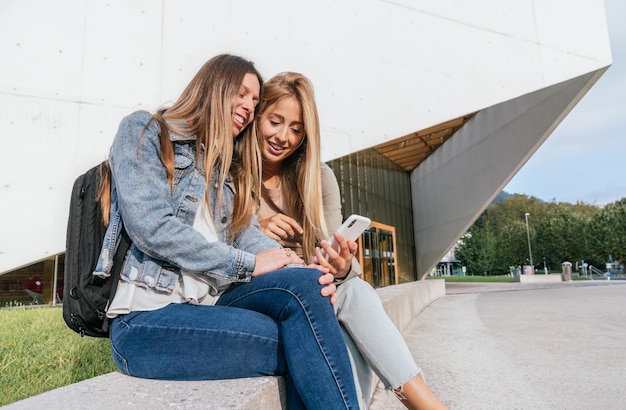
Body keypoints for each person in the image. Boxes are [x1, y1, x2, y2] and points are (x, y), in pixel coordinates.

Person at [94, 54, 360, 409]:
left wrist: (301, 268)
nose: (250, 107)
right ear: (215, 86)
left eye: (255, 100)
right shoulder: (146, 131)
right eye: (243, 94)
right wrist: (246, 266)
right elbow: (152, 227)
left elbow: (246, 233)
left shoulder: (225, 168)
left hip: (212, 304)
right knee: (304, 341)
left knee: (308, 287)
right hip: (147, 320)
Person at [256, 72, 448, 410]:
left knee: (354, 293)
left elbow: (342, 264)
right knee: (329, 303)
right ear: (258, 116)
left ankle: (425, 404)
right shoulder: (233, 177)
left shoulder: (318, 176)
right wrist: (259, 229)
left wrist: (340, 264)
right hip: (266, 290)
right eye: (275, 121)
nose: (283, 137)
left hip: (316, 286)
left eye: (297, 129)